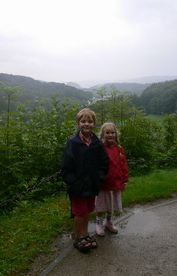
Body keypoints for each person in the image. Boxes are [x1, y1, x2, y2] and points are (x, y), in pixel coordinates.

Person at [61, 108, 109, 252]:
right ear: (78, 123)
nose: (86, 124)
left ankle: (85, 234)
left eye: (89, 121)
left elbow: (104, 162)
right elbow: (66, 165)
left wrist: (99, 178)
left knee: (87, 210)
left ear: (94, 124)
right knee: (79, 212)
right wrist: (72, 182)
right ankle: (79, 237)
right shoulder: (73, 142)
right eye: (83, 121)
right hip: (78, 186)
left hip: (92, 185)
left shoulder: (97, 143)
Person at [95, 122, 129, 236]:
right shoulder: (99, 147)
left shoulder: (119, 148)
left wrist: (125, 180)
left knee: (111, 204)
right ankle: (99, 223)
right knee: (100, 204)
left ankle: (109, 222)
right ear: (102, 134)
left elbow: (123, 164)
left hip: (115, 182)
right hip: (103, 183)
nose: (110, 135)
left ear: (116, 134)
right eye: (107, 132)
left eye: (112, 132)